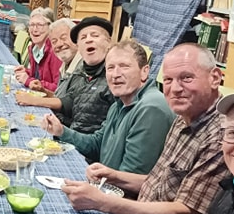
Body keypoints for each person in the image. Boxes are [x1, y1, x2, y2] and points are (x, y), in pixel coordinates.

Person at [64, 43, 228, 214]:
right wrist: (113, 175)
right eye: (168, 79)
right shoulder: (183, 116)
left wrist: (101, 202)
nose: (175, 89)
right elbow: (157, 183)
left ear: (215, 78)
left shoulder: (221, 135)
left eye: (186, 78)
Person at [44, 40, 173, 177]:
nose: (115, 74)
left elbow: (130, 177)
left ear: (144, 72)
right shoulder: (118, 105)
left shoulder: (151, 108)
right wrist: (61, 131)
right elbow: (97, 145)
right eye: (110, 68)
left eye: (124, 66)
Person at [18, 16, 114, 135]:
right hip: (71, 134)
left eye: (94, 35)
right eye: (54, 41)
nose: (59, 44)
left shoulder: (112, 76)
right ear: (79, 44)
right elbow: (68, 101)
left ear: (109, 41)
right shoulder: (81, 70)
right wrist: (43, 91)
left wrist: (33, 100)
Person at [13, 8, 61, 92]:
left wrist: (28, 81)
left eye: (40, 25)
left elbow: (58, 88)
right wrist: (26, 72)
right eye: (31, 25)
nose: (34, 29)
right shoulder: (34, 48)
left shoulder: (55, 52)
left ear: (50, 27)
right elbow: (39, 76)